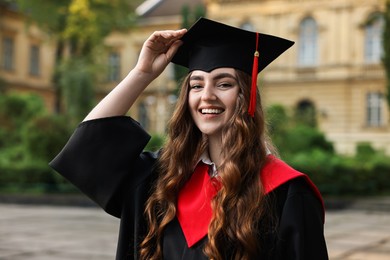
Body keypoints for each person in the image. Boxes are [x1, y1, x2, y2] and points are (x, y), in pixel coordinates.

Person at [50, 18, 328, 260]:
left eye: (224, 83)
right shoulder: (162, 178)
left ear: (247, 97)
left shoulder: (285, 192)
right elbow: (84, 153)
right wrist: (142, 73)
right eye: (197, 85)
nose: (207, 95)